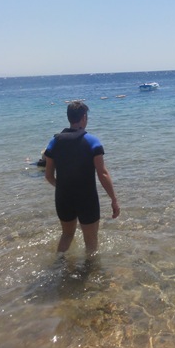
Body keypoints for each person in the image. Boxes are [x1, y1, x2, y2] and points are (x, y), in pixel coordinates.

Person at [44, 101, 120, 256]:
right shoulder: (92, 142)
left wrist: (63, 187)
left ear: (69, 117)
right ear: (84, 117)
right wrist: (114, 199)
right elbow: (102, 174)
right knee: (91, 241)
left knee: (66, 235)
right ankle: (90, 269)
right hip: (87, 198)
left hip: (63, 197)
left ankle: (59, 264)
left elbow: (49, 176)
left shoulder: (54, 142)